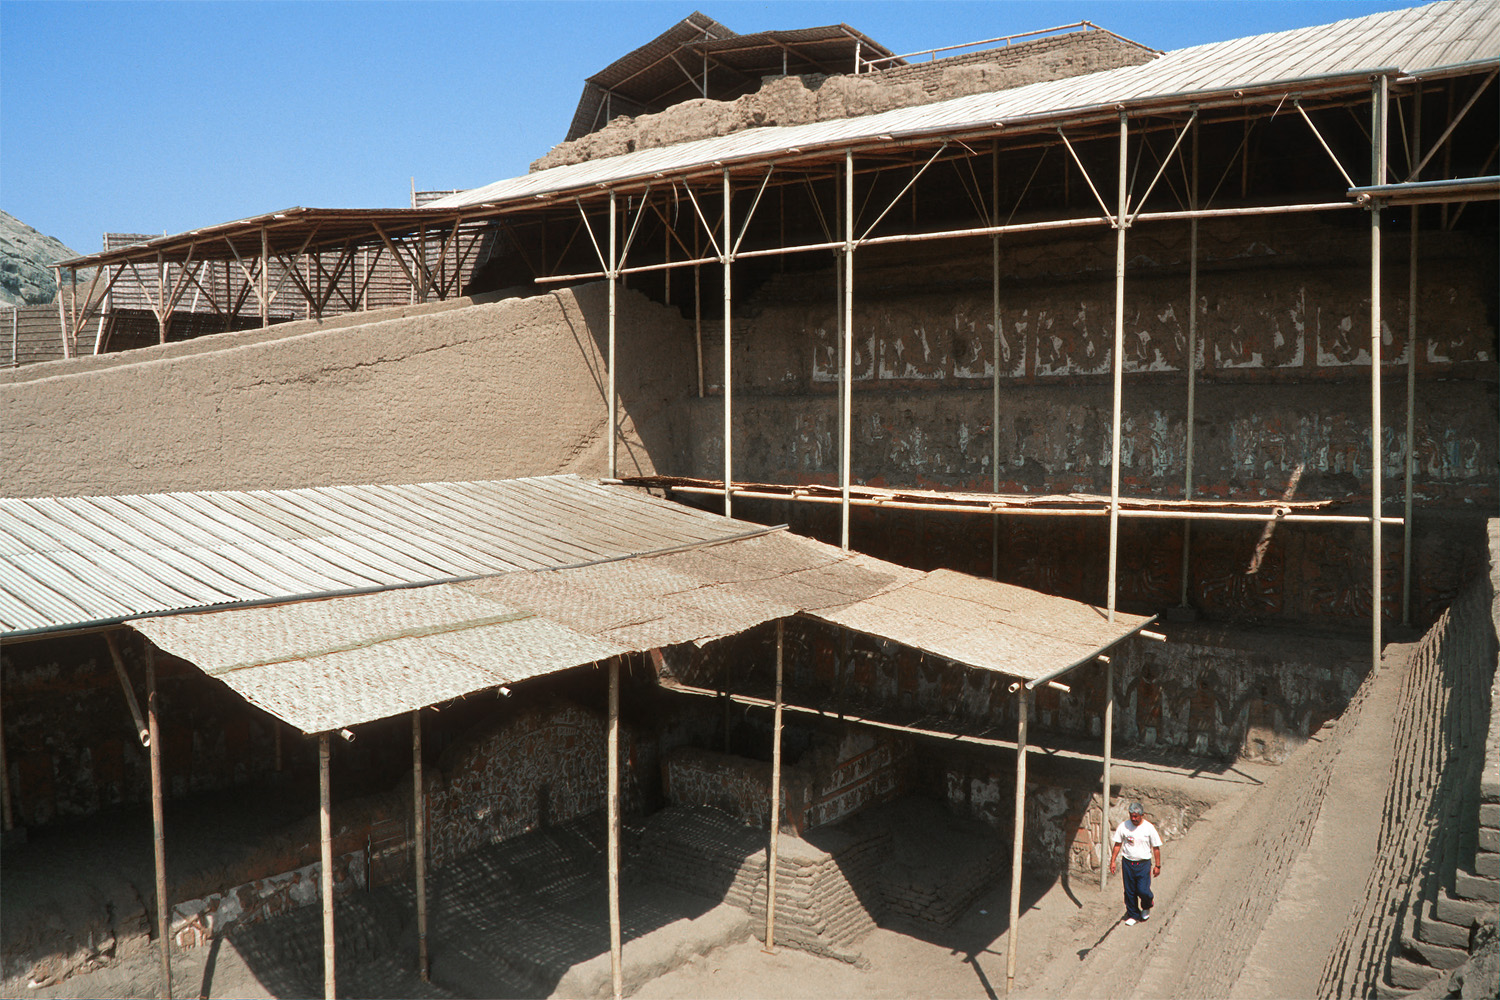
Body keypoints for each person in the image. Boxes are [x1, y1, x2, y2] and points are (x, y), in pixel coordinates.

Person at [1108, 801, 1162, 926]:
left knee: (1143, 890)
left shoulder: (1149, 828)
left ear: (1141, 815)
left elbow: (1156, 848)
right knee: (1129, 891)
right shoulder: (1123, 826)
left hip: (1143, 864)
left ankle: (1147, 905)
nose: (1133, 818)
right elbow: (1117, 844)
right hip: (1128, 863)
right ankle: (1133, 914)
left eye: (1136, 816)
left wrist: (1157, 866)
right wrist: (1113, 861)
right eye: (1131, 816)